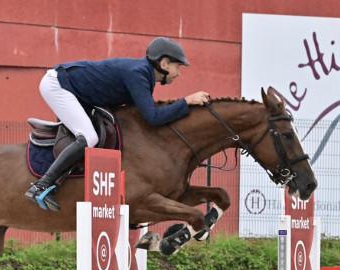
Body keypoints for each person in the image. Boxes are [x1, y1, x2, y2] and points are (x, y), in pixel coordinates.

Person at [25, 36, 211, 211]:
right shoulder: (138, 74)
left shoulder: (143, 75)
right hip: (58, 86)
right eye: (178, 67)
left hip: (75, 91)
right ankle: (41, 186)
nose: (179, 73)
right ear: (164, 64)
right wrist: (186, 102)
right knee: (89, 137)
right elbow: (153, 117)